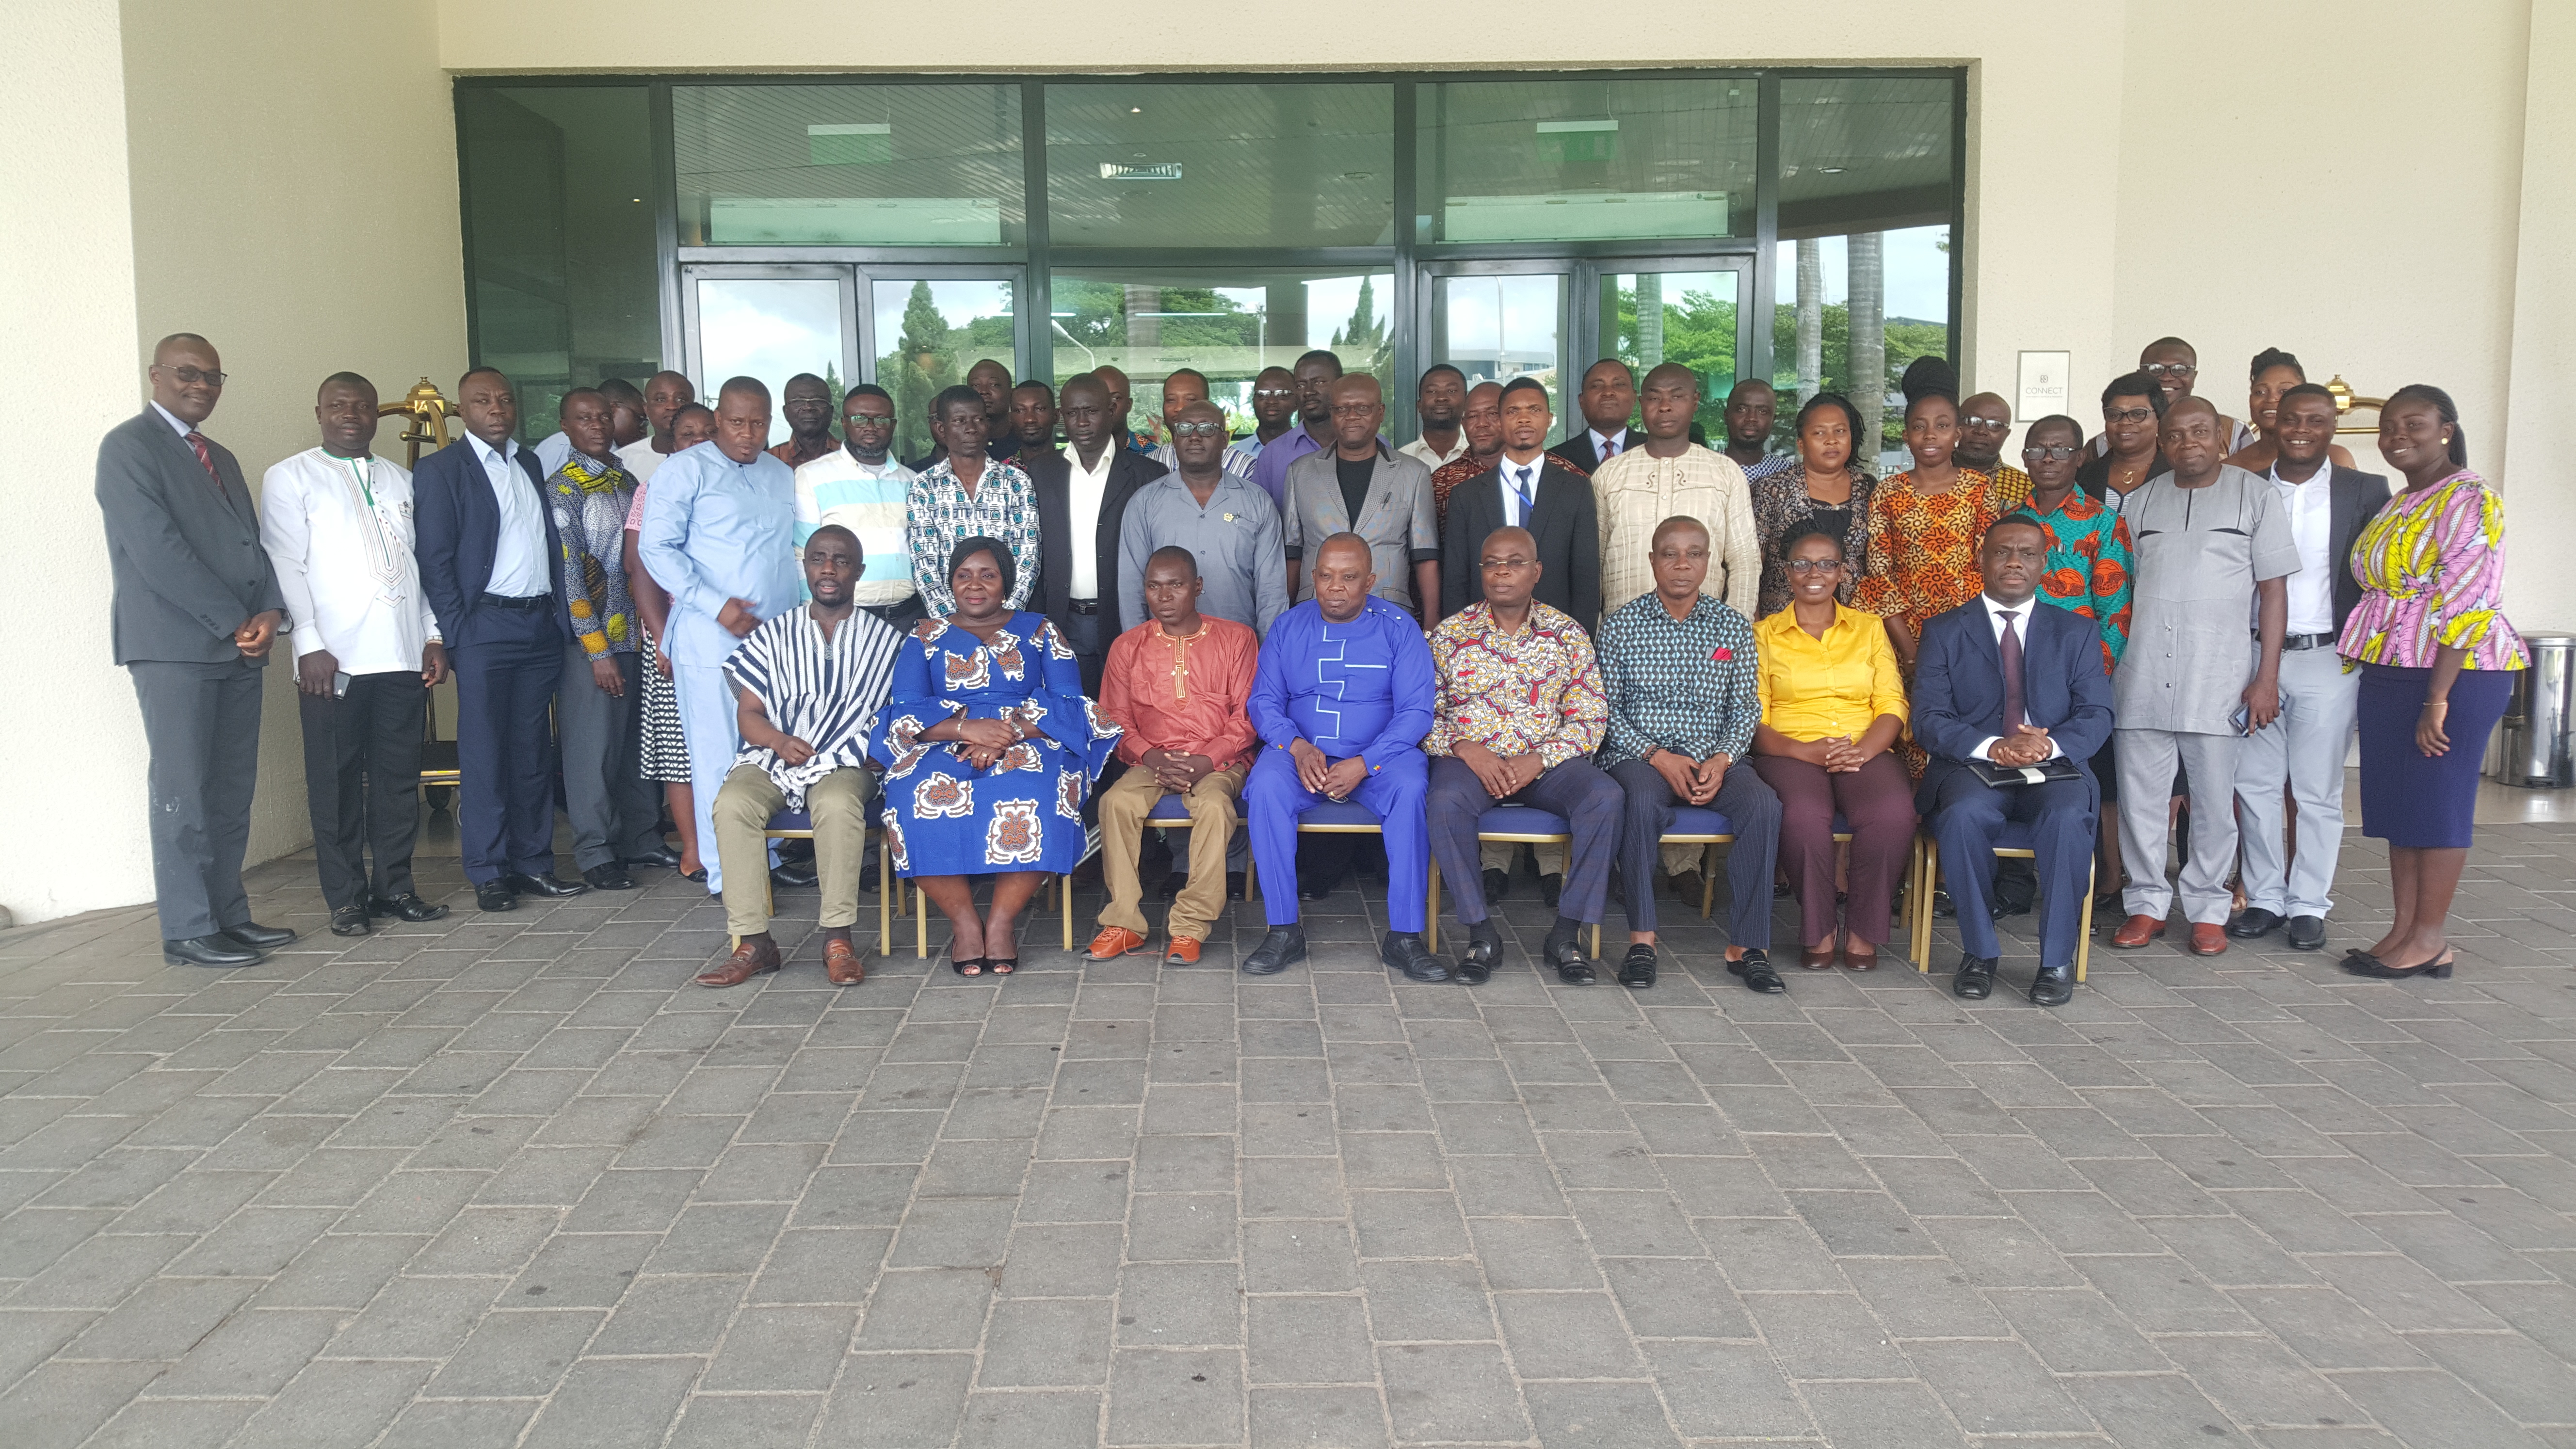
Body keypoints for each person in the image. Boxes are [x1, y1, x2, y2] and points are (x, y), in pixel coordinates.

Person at [96, 334, 293, 971]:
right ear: (156, 375)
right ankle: (188, 928)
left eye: (212, 377)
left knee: (230, 790)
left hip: (240, 648)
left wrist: (271, 611)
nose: (201, 385)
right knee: (183, 788)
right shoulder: (128, 448)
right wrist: (234, 620)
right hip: (174, 647)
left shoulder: (221, 457)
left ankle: (228, 915)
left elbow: (251, 545)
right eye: (188, 373)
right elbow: (157, 552)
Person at [2336, 386, 2525, 981]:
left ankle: (2429, 937)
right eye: (2388, 426)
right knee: (2401, 804)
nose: (2397, 435)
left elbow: (2470, 602)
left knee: (2437, 802)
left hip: (2453, 673)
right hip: (2392, 667)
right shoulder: (2400, 501)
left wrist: (2437, 699)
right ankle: (2403, 930)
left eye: (2413, 424)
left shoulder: (2470, 498)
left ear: (2445, 429)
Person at [869, 539, 1119, 976]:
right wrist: (966, 729)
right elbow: (904, 713)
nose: (975, 585)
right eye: (964, 575)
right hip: (944, 740)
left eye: (988, 575)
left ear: (1007, 583)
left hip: (1030, 737)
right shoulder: (924, 636)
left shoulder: (1041, 630)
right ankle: (965, 924)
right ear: (950, 583)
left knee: (1042, 794)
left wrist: (1007, 734)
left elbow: (1070, 705)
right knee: (913, 796)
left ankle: (1002, 923)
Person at [261, 373, 450, 938]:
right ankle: (346, 899)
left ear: (375, 415)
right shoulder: (291, 477)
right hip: (333, 663)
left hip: (400, 656)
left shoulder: (400, 479)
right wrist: (308, 644)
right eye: (338, 405)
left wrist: (432, 636)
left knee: (397, 781)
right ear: (319, 412)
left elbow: (418, 566)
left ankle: (395, 887)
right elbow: (285, 563)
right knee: (336, 783)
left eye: (362, 406)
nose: (351, 414)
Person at [2107, 397, 2295, 956]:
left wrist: (2266, 677)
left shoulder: (2255, 496)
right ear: (2161, 443)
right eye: (2175, 434)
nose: (2187, 443)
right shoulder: (2141, 502)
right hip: (2141, 674)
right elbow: (2119, 587)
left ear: (2219, 438)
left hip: (2218, 675)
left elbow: (2273, 592)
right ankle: (2145, 904)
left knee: (2213, 803)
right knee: (2140, 802)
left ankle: (2208, 909)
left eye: (2199, 432)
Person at [1912, 516, 2117, 1007]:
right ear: (1980, 559)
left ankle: (2056, 961)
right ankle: (1979, 953)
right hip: (1974, 769)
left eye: (2026, 554)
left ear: (2043, 564)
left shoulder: (2076, 632)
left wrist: (2049, 745)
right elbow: (1928, 718)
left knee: (2067, 819)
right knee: (1961, 817)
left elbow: (2097, 713)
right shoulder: (1943, 630)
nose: (2013, 563)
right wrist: (1991, 747)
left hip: (2055, 769)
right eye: (2002, 551)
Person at [699, 525, 904, 989]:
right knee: (732, 803)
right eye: (818, 559)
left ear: (859, 571)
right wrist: (776, 741)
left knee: (836, 803)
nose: (829, 569)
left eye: (841, 561)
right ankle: (753, 942)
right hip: (775, 756)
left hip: (848, 760)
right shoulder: (773, 634)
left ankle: (838, 939)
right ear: (805, 566)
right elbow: (748, 713)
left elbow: (900, 714)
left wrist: (871, 750)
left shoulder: (888, 641)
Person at [415, 367, 589, 913]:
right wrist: (456, 631)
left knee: (533, 751)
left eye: (505, 400)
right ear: (462, 410)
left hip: (537, 626)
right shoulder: (441, 470)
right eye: (482, 401)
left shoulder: (529, 463)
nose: (496, 409)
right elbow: (435, 559)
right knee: (485, 753)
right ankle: (489, 871)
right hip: (484, 628)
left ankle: (534, 863)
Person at [2227, 383, 2392, 951]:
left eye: (2315, 421)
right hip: (2251, 655)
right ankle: (2265, 898)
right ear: (2273, 423)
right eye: (2291, 419)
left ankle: (2307, 904)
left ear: (2331, 428)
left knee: (2317, 790)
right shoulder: (2244, 487)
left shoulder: (2364, 489)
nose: (2300, 430)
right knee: (2253, 784)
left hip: (2329, 657)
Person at [1240, 533, 1449, 982]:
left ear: (1370, 581)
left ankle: (1406, 936)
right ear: (1313, 578)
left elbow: (1416, 712)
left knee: (1412, 787)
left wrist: (1366, 762)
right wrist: (1296, 746)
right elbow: (1264, 702)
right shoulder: (1288, 627)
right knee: (1266, 786)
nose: (1336, 587)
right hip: (1301, 756)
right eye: (1326, 576)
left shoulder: (1399, 628)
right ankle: (1282, 930)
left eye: (1349, 577)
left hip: (1381, 758)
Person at [1424, 527, 1618, 984]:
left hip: (1547, 768)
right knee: (1444, 802)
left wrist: (1541, 759)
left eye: (1514, 562)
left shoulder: (1567, 634)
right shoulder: (1449, 635)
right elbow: (1422, 715)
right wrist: (1465, 749)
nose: (1502, 572)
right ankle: (1481, 934)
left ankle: (1566, 935)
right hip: (1472, 766)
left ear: (1537, 571)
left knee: (1605, 798)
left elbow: (1591, 718)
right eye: (1492, 563)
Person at [1596, 517, 1782, 994]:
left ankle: (1747, 946)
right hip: (1641, 757)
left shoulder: (1732, 627)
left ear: (1709, 562)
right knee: (1638, 802)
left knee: (1763, 805)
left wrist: (1723, 759)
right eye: (1670, 554)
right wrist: (1656, 755)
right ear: (1652, 560)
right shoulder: (1620, 626)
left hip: (1714, 757)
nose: (1682, 564)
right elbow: (1605, 711)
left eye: (1694, 554)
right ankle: (1642, 941)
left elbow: (1745, 709)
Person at [638, 376, 803, 899]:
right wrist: (715, 606)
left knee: (765, 750)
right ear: (716, 420)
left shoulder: (780, 474)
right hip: (709, 640)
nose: (747, 434)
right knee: (716, 755)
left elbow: (790, 554)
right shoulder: (684, 471)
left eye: (758, 423)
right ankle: (726, 873)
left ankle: (766, 858)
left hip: (773, 642)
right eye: (736, 422)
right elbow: (656, 549)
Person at [1749, 526, 1914, 971]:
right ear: (1787, 572)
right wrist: (1808, 752)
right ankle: (1819, 929)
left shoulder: (1869, 628)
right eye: (1802, 564)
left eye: (1826, 564)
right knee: (1803, 817)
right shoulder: (1764, 635)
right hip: (1791, 751)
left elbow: (1892, 703)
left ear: (1842, 572)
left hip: (1864, 746)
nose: (1814, 573)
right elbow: (1755, 720)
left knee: (1892, 813)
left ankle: (1864, 930)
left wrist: (1862, 752)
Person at [1091, 547, 1261, 966]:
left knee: (1215, 807)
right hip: (1152, 761)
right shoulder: (1128, 647)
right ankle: (1125, 923)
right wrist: (1152, 758)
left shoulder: (1236, 639)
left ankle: (1189, 926)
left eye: (1176, 585)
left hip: (1219, 761)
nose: (1164, 597)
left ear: (1197, 587)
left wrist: (1206, 761)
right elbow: (1114, 719)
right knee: (1115, 803)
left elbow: (1247, 717)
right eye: (1154, 586)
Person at [2009, 414, 2136, 907]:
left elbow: (2114, 613)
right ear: (2024, 457)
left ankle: (2095, 883)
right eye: (2037, 450)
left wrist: (2087, 685)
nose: (2048, 459)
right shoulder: (2008, 520)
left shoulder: (2103, 523)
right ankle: (2014, 884)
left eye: (2060, 450)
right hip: (2009, 674)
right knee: (2009, 769)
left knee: (2082, 778)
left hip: (2075, 682)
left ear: (2080, 457)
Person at [544, 388, 659, 892]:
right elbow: (570, 577)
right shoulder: (563, 488)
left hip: (634, 634)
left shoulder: (626, 480)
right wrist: (596, 651)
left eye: (602, 416)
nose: (596, 425)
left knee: (635, 745)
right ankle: (595, 852)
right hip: (592, 646)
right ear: (565, 427)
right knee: (592, 750)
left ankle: (640, 838)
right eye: (583, 418)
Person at [1855, 392, 2030, 676]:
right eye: (1919, 426)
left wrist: (1964, 635)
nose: (1930, 435)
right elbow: (1878, 576)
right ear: (1906, 435)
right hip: (1903, 629)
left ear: (1957, 434)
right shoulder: (1888, 492)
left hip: (1966, 629)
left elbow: (1985, 567)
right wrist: (1909, 650)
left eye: (1942, 425)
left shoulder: (1978, 488)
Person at [1592, 362, 1758, 621]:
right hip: (1624, 632)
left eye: (1677, 397)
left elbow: (1745, 560)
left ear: (1695, 402)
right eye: (1654, 398)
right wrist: (1597, 628)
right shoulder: (1609, 474)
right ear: (1641, 403)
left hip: (1705, 632)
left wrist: (1734, 627)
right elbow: (1592, 562)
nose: (1665, 406)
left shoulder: (1725, 472)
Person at [1034, 374, 1168, 692]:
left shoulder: (1148, 475)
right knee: (1069, 710)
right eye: (1072, 413)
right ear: (1062, 416)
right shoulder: (1042, 471)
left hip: (1124, 618)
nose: (1082, 422)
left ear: (1111, 411)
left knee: (1122, 710)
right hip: (1061, 619)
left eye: (1091, 411)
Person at [1440, 378, 1601, 627]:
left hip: (1556, 633)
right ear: (1500, 421)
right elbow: (1456, 580)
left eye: (1534, 410)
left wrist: (1579, 640)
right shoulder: (1467, 495)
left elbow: (1586, 578)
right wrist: (1459, 637)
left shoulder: (1575, 489)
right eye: (1513, 411)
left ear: (1549, 419)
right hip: (1482, 635)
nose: (1524, 419)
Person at [1120, 399, 1287, 637]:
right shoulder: (1144, 503)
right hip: (1165, 647)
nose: (1195, 437)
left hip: (1238, 645)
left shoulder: (1258, 502)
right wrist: (1137, 646)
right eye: (1185, 428)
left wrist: (1269, 650)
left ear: (1225, 439)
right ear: (1174, 439)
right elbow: (1131, 586)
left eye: (1207, 428)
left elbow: (1272, 590)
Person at [1282, 374, 1439, 614]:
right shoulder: (1300, 472)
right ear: (1332, 413)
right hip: (1316, 609)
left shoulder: (1414, 472)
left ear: (1381, 412)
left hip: (1387, 610)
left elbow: (1425, 555)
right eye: (1342, 409)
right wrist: (1286, 615)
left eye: (1363, 408)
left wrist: (1431, 621)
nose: (1352, 416)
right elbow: (1293, 553)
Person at [906, 385, 1040, 619]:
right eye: (960, 421)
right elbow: (924, 563)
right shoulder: (924, 486)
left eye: (979, 420)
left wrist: (1006, 617)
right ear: (941, 429)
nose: (971, 429)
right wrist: (952, 623)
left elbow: (1028, 556)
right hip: (949, 622)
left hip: (1007, 618)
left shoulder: (1016, 481)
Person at [796, 383, 922, 632]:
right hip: (843, 617)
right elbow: (801, 552)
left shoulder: (913, 481)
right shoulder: (812, 476)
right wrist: (815, 617)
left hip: (910, 615)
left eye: (881, 420)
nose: (870, 427)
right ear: (844, 423)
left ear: (893, 425)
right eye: (859, 419)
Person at [1749, 393, 1876, 617]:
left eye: (1840, 431)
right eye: (1819, 433)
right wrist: (1754, 627)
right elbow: (1751, 568)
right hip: (1784, 625)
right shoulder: (1771, 489)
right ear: (1801, 444)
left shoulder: (1869, 490)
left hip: (1855, 626)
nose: (1831, 440)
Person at [2223, 348, 2360, 471]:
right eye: (2260, 392)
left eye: (2284, 391)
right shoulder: (2230, 469)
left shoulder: (2335, 458)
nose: (2271, 399)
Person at [1249, 349, 1345, 514]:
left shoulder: (1374, 446)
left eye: (1318, 382)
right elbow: (1258, 520)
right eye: (1300, 385)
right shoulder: (1272, 454)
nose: (1308, 392)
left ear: (1342, 385)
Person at [2075, 371, 2169, 503]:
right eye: (2114, 415)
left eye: (2138, 414)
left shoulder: (2176, 474)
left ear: (2159, 418)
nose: (2125, 422)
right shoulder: (2082, 477)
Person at [1145, 368, 1253, 479]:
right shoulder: (1148, 464)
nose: (1179, 408)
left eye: (1191, 400)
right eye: (1171, 400)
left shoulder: (1246, 467)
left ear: (1208, 403)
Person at [1430, 380, 1507, 529]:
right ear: (1463, 424)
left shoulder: (1548, 469)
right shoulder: (1442, 481)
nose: (1482, 423)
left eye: (1492, 414)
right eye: (1472, 416)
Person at [2136, 337, 2238, 449]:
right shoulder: (2124, 428)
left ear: (2194, 377)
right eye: (2155, 369)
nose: (2167, 377)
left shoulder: (2232, 430)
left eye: (2180, 369)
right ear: (2139, 376)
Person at [1548, 359, 1640, 474]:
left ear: (1634, 398)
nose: (1608, 392)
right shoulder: (1556, 460)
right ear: (1581, 401)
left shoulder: (1654, 451)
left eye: (1619, 385)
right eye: (1597, 386)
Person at [619, 370, 695, 485]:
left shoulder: (712, 458)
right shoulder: (622, 462)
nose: (672, 407)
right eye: (661, 400)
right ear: (646, 409)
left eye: (681, 400)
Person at [1400, 363, 1470, 470]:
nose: (1441, 398)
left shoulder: (1479, 459)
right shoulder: (1400, 461)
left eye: (1451, 391)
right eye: (1432, 391)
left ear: (1467, 402)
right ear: (1419, 405)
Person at [764, 372, 837, 469]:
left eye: (818, 401)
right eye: (798, 402)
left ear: (831, 412)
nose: (809, 407)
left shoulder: (850, 456)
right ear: (786, 412)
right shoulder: (768, 461)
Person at [1234, 365, 1299, 469]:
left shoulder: (1311, 452)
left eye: (1282, 394)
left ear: (1297, 403)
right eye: (1262, 394)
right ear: (1253, 402)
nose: (1272, 401)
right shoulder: (1234, 455)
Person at [1723, 379, 1786, 481]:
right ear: (1727, 416)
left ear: (1773, 420)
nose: (1752, 418)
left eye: (1763, 411)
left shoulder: (1787, 474)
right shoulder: (1705, 468)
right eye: (1742, 409)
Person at [1092, 363, 1151, 454]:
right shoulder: (1074, 455)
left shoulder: (1150, 454)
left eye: (1116, 398)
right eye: (1099, 398)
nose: (1108, 406)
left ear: (1129, 405)